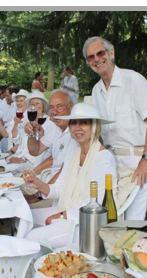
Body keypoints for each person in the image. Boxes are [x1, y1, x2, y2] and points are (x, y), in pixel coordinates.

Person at [24, 102, 122, 251]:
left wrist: (63, 215)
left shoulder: (103, 159)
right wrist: (38, 183)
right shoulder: (73, 153)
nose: (77, 128)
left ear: (95, 126)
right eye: (73, 123)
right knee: (23, 218)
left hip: (87, 223)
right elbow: (60, 187)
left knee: (29, 238)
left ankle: (36, 267)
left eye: (84, 123)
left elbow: (96, 205)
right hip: (68, 209)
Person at [85, 36, 147, 221]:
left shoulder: (133, 80)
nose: (97, 59)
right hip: (110, 161)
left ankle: (133, 248)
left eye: (100, 53)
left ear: (111, 53)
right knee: (110, 216)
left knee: (133, 218)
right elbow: (99, 131)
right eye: (91, 57)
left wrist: (146, 160)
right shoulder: (96, 90)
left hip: (137, 159)